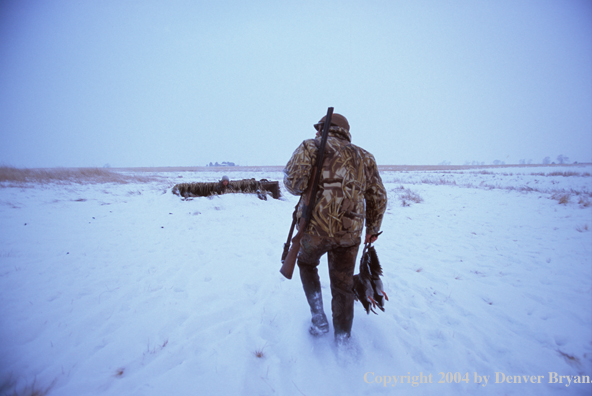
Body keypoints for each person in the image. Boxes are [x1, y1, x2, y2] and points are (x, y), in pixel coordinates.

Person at [283, 112, 387, 344]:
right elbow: (378, 196)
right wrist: (373, 227)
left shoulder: (311, 146)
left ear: (324, 128)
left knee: (306, 263)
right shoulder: (365, 157)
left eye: (318, 128)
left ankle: (319, 319)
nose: (316, 132)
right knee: (343, 284)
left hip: (313, 231)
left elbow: (293, 184)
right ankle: (343, 337)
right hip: (349, 235)